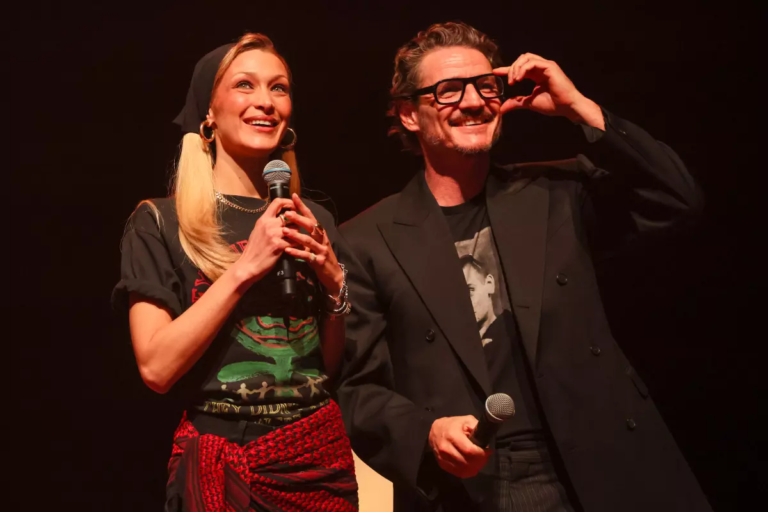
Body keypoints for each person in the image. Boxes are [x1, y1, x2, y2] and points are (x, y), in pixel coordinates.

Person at [337, 21, 711, 512]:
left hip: (606, 455)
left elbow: (676, 199)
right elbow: (356, 389)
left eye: (485, 86)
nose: (473, 102)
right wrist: (426, 432)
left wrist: (580, 108)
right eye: (449, 90)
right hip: (491, 479)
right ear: (410, 114)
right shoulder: (366, 239)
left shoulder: (555, 194)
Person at [113, 33, 358, 511]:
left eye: (279, 87)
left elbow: (325, 368)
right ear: (209, 111)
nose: (266, 101)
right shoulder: (160, 221)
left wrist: (334, 287)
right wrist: (244, 269)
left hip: (316, 461)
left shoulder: (314, 219)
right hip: (222, 461)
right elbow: (157, 368)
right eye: (245, 85)